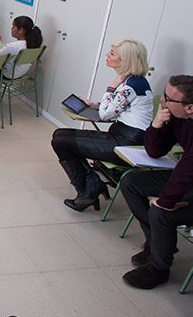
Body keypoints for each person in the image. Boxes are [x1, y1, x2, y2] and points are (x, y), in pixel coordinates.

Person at [51, 39, 153, 212]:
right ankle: (91, 186)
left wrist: (111, 87)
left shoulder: (131, 85)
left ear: (125, 61)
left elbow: (106, 115)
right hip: (124, 135)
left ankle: (88, 190)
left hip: (127, 143)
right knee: (59, 135)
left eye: (112, 54)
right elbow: (118, 107)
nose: (107, 55)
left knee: (61, 141)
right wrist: (96, 105)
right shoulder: (133, 81)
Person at [120, 75, 193, 290]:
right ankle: (155, 241)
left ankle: (159, 269)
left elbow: (187, 171)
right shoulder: (178, 118)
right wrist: (156, 124)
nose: (162, 101)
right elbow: (155, 150)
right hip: (186, 177)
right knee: (130, 182)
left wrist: (166, 201)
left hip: (189, 179)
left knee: (161, 213)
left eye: (169, 99)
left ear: (189, 107)